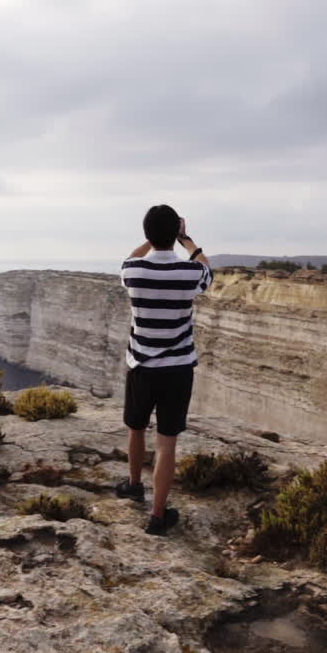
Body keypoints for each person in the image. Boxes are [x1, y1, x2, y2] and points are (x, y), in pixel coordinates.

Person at [115, 204, 212, 535]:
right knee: (167, 441)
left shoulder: (133, 271)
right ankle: (157, 516)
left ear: (146, 234)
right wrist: (187, 240)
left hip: (140, 365)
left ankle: (132, 484)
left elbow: (131, 258)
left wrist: (149, 240)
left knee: (136, 428)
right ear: (176, 232)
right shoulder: (189, 274)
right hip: (178, 369)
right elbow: (205, 266)